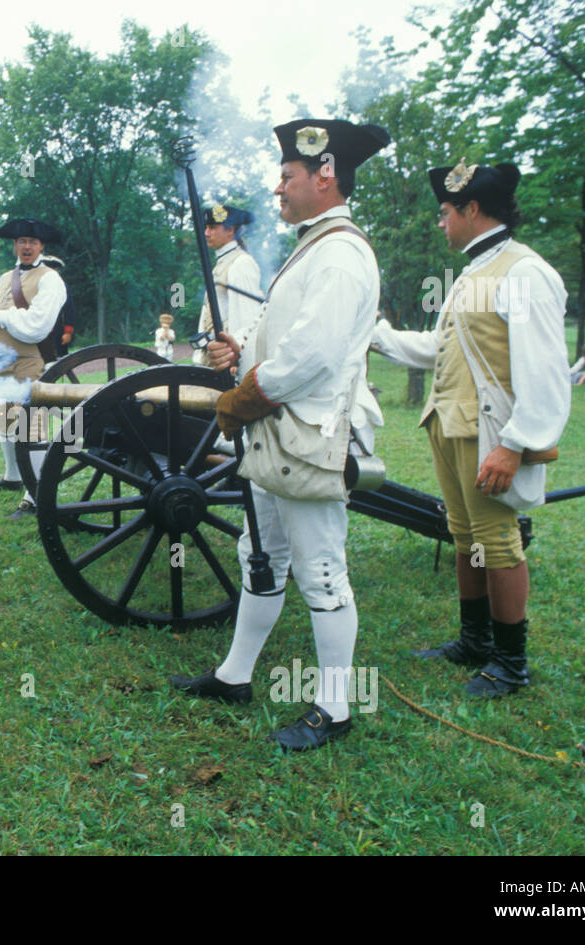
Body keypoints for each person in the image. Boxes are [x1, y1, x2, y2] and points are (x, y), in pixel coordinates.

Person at [169, 118, 390, 750]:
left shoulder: (342, 252)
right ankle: (235, 674)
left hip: (309, 433)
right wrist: (240, 350)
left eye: (288, 176)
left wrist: (242, 397)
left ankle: (335, 708)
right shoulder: (313, 246)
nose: (278, 187)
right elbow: (287, 338)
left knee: (321, 570)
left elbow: (314, 356)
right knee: (259, 555)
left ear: (326, 176)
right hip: (276, 429)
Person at [372, 159, 570, 698]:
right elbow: (441, 349)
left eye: (445, 212)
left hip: (490, 437)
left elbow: (547, 372)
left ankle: (510, 663)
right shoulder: (476, 271)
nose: (440, 222)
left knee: (499, 544)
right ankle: (474, 641)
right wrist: (379, 335)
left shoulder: (524, 272)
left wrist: (514, 447)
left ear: (472, 210)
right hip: (449, 424)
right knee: (466, 540)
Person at [0, 218, 66, 520]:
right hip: (1, 357)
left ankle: (37, 494)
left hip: (31, 358)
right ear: (15, 245)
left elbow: (38, 326)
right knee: (4, 416)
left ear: (42, 246)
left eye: (32, 242)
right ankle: (13, 477)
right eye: (21, 241)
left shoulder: (50, 278)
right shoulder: (5, 278)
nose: (26, 246)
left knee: (31, 424)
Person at [189, 203, 262, 367]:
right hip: (214, 357)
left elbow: (248, 321)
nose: (206, 233)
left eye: (213, 227)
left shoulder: (241, 263)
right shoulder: (222, 263)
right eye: (206, 227)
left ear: (230, 230)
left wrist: (236, 359)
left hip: (228, 361)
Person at [40, 255, 75, 363]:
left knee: (59, 362)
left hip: (57, 331)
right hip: (39, 329)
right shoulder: (37, 285)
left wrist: (68, 332)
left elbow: (69, 309)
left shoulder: (63, 287)